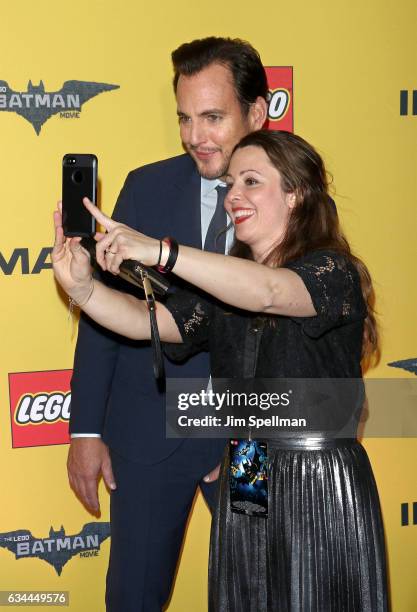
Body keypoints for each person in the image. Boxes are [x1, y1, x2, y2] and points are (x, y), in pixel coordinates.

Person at [53, 129, 388, 611]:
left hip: (315, 474)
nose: (234, 196)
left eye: (252, 182)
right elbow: (150, 322)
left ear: (295, 195)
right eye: (231, 184)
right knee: (250, 594)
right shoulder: (226, 290)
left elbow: (270, 291)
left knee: (311, 595)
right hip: (248, 463)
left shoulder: (332, 272)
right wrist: (83, 289)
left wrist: (160, 252)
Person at [67, 37, 268, 611]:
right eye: (184, 118)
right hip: (150, 433)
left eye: (213, 117)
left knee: (262, 590)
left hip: (248, 443)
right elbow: (104, 315)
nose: (196, 136)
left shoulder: (293, 199)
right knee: (133, 598)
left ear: (256, 113)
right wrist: (85, 431)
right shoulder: (148, 185)